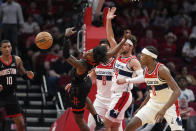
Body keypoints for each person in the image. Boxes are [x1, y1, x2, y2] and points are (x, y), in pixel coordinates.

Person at [63, 27, 130, 131]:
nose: (87, 52)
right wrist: (123, 40)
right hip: (85, 82)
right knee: (84, 97)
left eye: (90, 53)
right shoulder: (98, 60)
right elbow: (112, 52)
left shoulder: (81, 65)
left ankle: (95, 123)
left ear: (92, 58)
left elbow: (66, 55)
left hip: (79, 87)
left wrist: (66, 37)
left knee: (79, 120)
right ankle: (98, 120)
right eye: (90, 50)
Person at [117, 46, 182, 131]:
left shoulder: (162, 70)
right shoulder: (145, 71)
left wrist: (163, 110)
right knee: (129, 127)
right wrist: (141, 107)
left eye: (143, 55)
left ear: (150, 58)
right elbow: (151, 92)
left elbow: (177, 91)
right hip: (153, 104)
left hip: (169, 106)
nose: (140, 57)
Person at [104, 7, 144, 131]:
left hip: (123, 95)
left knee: (105, 124)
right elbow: (110, 37)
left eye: (125, 44)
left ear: (131, 47)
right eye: (122, 43)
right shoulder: (118, 54)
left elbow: (143, 78)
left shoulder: (133, 61)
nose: (122, 46)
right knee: (115, 126)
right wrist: (108, 20)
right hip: (115, 94)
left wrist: (126, 81)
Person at [0, 40, 34, 131]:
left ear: (11, 47)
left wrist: (28, 75)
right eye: (4, 47)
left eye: (9, 46)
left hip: (10, 94)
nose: (7, 49)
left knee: (21, 124)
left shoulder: (17, 59)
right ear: (1, 49)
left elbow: (23, 74)